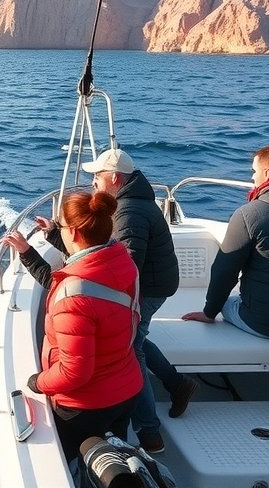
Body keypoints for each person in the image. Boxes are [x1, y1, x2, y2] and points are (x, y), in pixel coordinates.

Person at [23, 148, 197, 453]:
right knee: (132, 340)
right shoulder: (134, 200)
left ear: (114, 177)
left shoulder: (127, 212)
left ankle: (149, 431)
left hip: (144, 288)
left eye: (96, 177)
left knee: (133, 349)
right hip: (143, 284)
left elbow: (99, 278)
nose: (92, 183)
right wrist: (57, 235)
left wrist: (38, 382)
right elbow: (99, 253)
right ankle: (175, 383)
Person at [181, 144, 269, 440]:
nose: (253, 178)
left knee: (229, 304)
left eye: (254, 172)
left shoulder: (251, 214)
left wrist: (209, 312)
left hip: (268, 323)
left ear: (268, 173)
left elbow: (224, 272)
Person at [1, 191, 142, 464]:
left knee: (71, 466)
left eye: (61, 226)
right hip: (126, 390)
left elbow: (75, 372)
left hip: (86, 407)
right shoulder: (122, 261)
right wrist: (29, 252)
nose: (60, 230)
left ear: (74, 232)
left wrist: (38, 382)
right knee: (114, 460)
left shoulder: (74, 295)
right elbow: (81, 265)